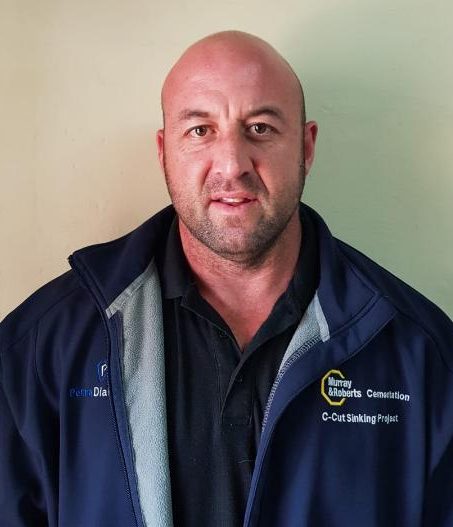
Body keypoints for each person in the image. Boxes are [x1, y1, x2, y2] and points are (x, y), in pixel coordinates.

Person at [1, 30, 452, 527]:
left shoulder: (423, 353)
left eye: (260, 128)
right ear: (163, 151)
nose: (233, 165)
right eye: (200, 130)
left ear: (306, 147)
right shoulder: (41, 350)